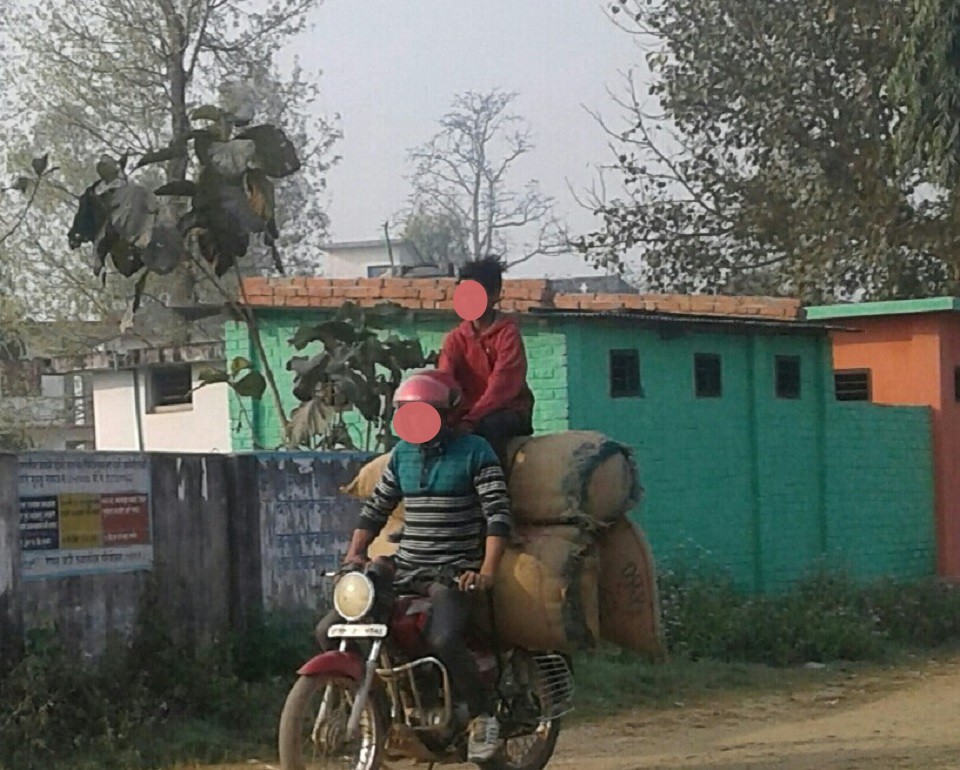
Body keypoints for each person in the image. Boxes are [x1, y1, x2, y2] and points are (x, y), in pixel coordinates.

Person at [315, 370, 511, 763]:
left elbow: (497, 516)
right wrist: (355, 554)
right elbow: (375, 509)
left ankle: (483, 715)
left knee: (441, 640)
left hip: (452, 571)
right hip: (406, 566)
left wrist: (486, 571)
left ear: (447, 414)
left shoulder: (476, 452)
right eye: (408, 413)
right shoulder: (403, 454)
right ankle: (382, 709)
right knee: (329, 628)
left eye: (425, 413)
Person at [438, 257, 535, 466]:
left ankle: (494, 490)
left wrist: (472, 419)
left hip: (507, 412)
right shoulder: (455, 338)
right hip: (466, 415)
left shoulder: (508, 334)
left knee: (489, 428)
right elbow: (444, 379)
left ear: (493, 295)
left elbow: (502, 386)